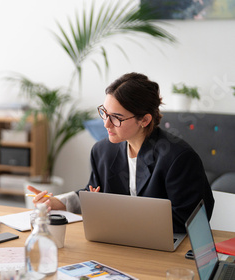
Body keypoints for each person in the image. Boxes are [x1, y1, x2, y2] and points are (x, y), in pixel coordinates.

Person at [28, 72, 214, 233]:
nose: (106, 124)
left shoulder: (178, 158)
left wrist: (118, 218)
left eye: (116, 118)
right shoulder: (102, 151)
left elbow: (188, 221)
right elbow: (94, 192)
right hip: (118, 241)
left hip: (165, 249)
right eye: (104, 113)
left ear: (145, 120)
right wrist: (58, 203)